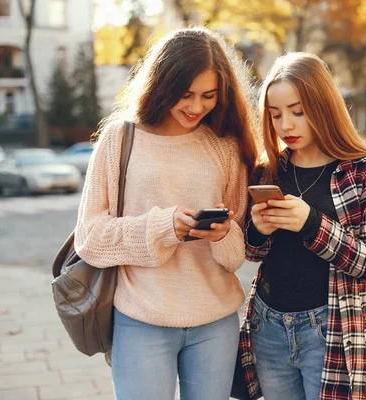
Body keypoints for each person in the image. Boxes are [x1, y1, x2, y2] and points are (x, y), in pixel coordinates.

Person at [74, 27, 258, 400]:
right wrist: (162, 227)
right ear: (162, 84)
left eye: (208, 95)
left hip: (215, 322)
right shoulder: (120, 138)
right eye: (185, 94)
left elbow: (237, 254)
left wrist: (223, 235)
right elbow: (89, 238)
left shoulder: (224, 145)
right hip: (141, 320)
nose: (196, 106)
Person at [238, 52, 366, 400]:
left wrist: (311, 224)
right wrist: (258, 230)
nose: (285, 125)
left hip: (329, 329)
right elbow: (252, 253)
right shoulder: (269, 170)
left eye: (297, 111)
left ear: (323, 106)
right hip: (268, 326)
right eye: (275, 114)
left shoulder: (365, 171)